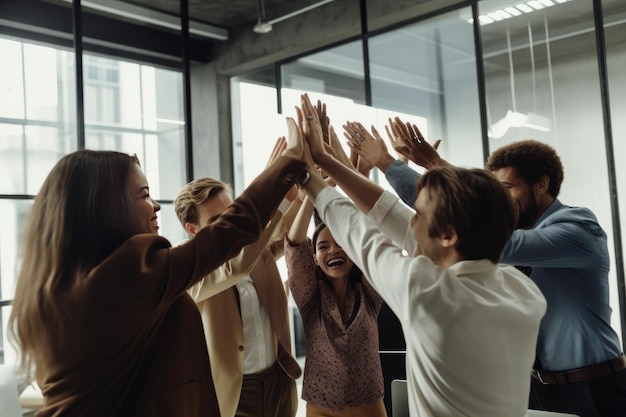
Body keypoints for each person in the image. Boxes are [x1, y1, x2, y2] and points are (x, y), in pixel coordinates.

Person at [7, 120, 307, 417]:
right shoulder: (126, 275)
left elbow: (270, 238)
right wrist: (285, 166)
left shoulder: (59, 286)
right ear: (107, 207)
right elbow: (228, 238)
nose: (156, 205)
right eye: (144, 194)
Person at [292, 93, 546, 417]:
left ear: (448, 236)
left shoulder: (426, 292)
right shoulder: (522, 290)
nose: (410, 218)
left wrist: (309, 174)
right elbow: (388, 214)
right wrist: (329, 163)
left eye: (419, 213)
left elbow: (362, 235)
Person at [367, 128, 626, 416]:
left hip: (592, 385)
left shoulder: (578, 227)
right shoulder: (510, 233)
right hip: (535, 389)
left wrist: (387, 164)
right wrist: (437, 166)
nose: (502, 198)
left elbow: (476, 222)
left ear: (541, 185)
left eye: (509, 189)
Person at [173, 156, 301, 417]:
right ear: (192, 229)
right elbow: (237, 266)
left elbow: (285, 229)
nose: (232, 225)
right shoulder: (187, 269)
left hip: (279, 380)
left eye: (233, 213)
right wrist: (269, 187)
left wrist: (302, 185)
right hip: (234, 395)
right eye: (218, 220)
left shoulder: (253, 250)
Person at [284, 194, 387, 417]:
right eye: (323, 246)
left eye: (341, 243)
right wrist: (312, 192)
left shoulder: (368, 295)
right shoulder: (310, 298)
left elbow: (375, 235)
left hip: (369, 404)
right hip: (322, 406)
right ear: (314, 258)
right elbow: (294, 244)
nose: (333, 250)